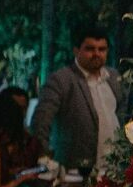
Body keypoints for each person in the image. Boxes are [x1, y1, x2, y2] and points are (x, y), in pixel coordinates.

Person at [31, 26, 124, 173]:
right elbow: (41, 120)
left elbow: (121, 116)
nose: (96, 54)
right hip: (76, 170)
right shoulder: (62, 80)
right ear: (76, 50)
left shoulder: (113, 78)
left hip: (113, 169)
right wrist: (44, 157)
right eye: (90, 49)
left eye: (102, 49)